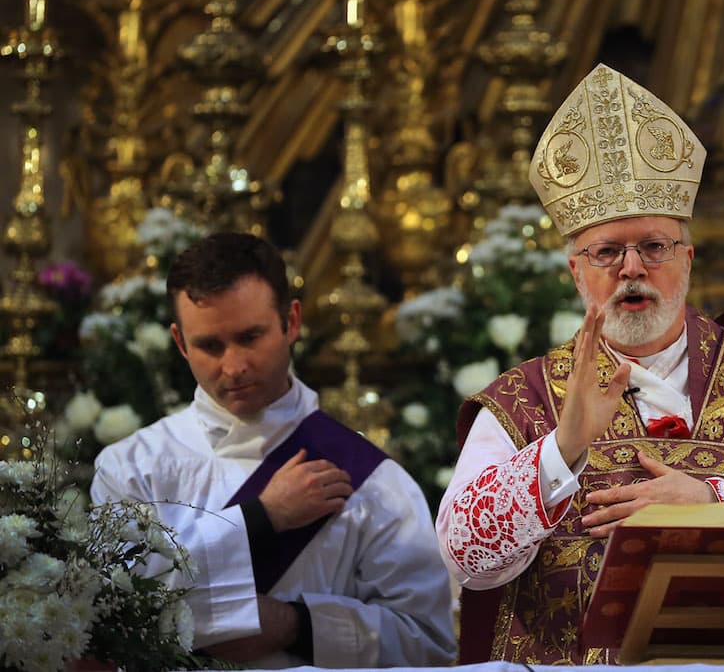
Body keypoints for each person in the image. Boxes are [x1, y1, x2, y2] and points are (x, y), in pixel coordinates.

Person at [436, 64, 724, 664]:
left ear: (687, 259)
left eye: (654, 247)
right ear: (576, 271)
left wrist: (717, 503)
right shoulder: (521, 399)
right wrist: (564, 445)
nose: (632, 268)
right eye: (606, 251)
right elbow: (465, 557)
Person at [92, 233, 456, 668]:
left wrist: (296, 624)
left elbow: (428, 645)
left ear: (292, 321)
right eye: (210, 345)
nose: (234, 366)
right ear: (180, 342)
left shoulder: (373, 480)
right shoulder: (132, 467)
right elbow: (112, 609)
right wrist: (259, 519)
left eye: (250, 337)